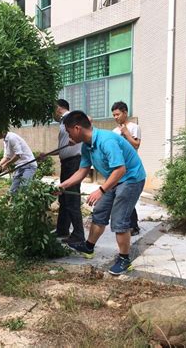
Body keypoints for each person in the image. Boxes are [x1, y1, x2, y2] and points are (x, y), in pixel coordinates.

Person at [58, 111, 146, 275]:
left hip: (131, 178)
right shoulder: (87, 145)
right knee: (99, 213)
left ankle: (124, 259)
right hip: (114, 179)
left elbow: (120, 169)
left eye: (69, 131)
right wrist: (63, 186)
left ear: (77, 128)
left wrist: (101, 189)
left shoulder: (106, 140)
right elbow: (82, 171)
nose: (68, 136)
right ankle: (89, 247)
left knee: (119, 220)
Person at [50, 99, 85, 243]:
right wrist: (45, 155)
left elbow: (87, 120)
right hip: (66, 163)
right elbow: (63, 148)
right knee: (63, 198)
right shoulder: (64, 123)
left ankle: (78, 235)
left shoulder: (71, 118)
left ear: (58, 108)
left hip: (73, 163)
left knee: (71, 198)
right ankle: (62, 229)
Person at [111, 101, 142, 236]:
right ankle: (129, 224)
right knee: (123, 196)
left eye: (117, 114)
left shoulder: (134, 127)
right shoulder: (114, 131)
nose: (115, 117)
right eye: (113, 115)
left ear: (125, 113)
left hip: (131, 167)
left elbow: (136, 145)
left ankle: (133, 226)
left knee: (127, 195)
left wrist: (126, 134)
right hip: (118, 167)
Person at [0, 129, 37, 194]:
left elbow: (18, 155)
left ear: (3, 131)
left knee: (24, 187)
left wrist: (6, 165)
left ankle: (25, 203)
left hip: (29, 165)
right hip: (19, 166)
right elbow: (7, 156)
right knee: (12, 190)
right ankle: (12, 203)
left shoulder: (12, 138)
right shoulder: (5, 140)